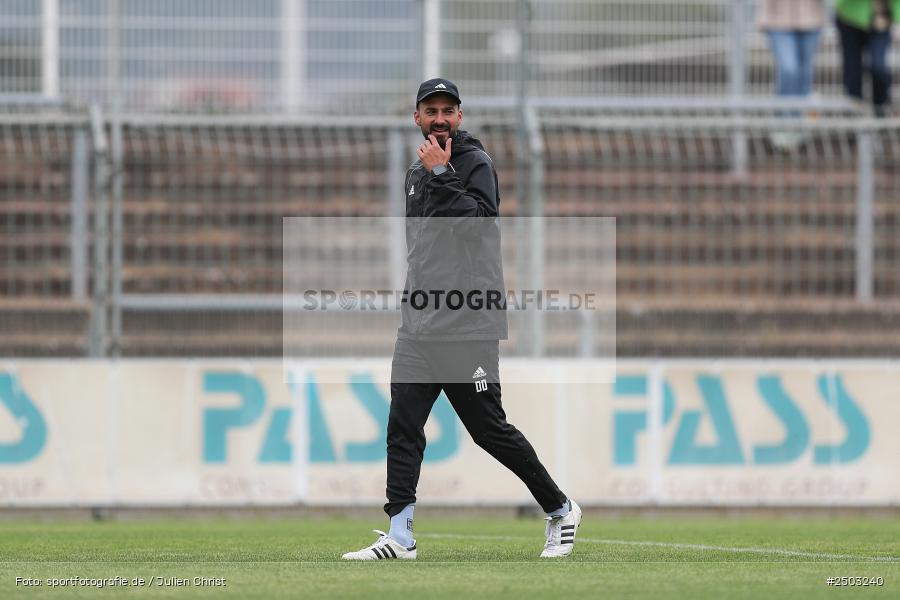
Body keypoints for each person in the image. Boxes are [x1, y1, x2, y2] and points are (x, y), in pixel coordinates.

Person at [341, 78, 580, 561]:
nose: (440, 119)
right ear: (417, 117)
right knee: (403, 426)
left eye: (448, 110)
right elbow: (423, 249)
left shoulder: (473, 163)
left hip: (467, 324)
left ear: (460, 116)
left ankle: (561, 508)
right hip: (419, 326)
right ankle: (400, 535)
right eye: (431, 111)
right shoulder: (416, 173)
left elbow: (478, 228)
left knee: (488, 429)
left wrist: (443, 172)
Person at [757, 0, 825, 149]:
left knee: (804, 76)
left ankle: (799, 129)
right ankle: (785, 126)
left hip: (811, 17)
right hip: (776, 18)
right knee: (789, 70)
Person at [836, 0, 900, 117]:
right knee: (853, 69)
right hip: (851, 16)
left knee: (878, 66)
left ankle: (880, 110)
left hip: (882, 17)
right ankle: (855, 113)